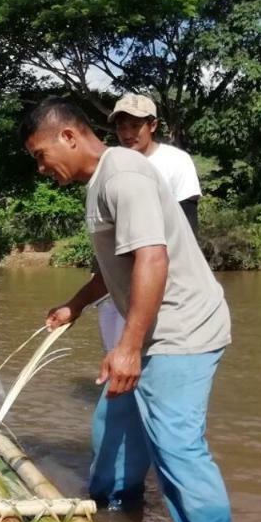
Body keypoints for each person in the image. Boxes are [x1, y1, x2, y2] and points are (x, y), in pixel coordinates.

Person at [21, 97, 254, 522]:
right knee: (112, 430)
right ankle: (114, 518)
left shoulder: (124, 175)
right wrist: (76, 304)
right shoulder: (98, 184)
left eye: (41, 155)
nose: (42, 168)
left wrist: (127, 347)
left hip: (182, 331)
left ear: (69, 136)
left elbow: (152, 259)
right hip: (147, 331)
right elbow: (116, 268)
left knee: (177, 447)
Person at [97, 93, 201, 353]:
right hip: (117, 278)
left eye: (135, 125)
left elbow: (188, 227)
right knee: (117, 353)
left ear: (152, 125)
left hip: (158, 273)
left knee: (153, 351)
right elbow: (106, 229)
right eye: (121, 126)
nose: (127, 133)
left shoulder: (177, 162)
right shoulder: (109, 165)